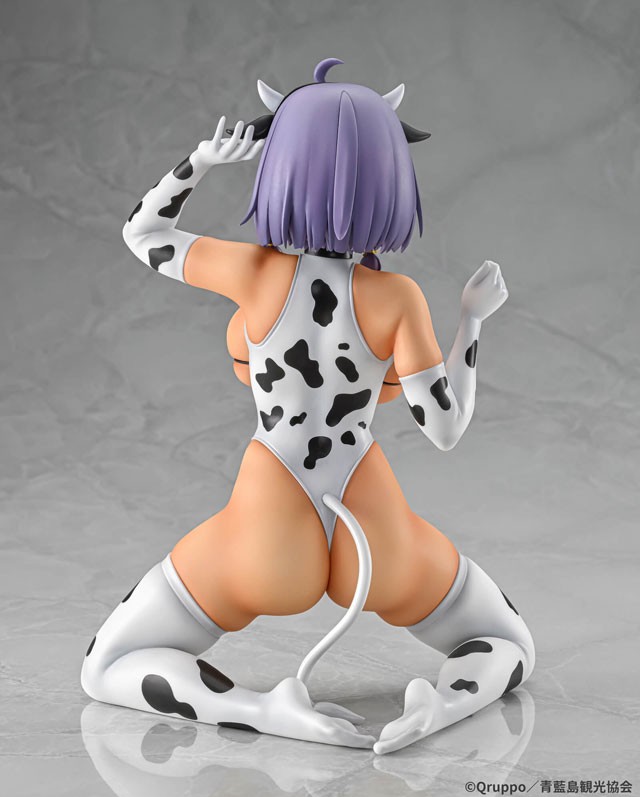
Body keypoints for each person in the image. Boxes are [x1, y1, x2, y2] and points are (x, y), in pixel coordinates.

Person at [81, 58, 535, 754]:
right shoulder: (398, 298)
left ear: (281, 168)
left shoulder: (253, 271)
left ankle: (262, 711)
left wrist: (200, 163)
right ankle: (441, 706)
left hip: (269, 512)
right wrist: (472, 322)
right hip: (370, 518)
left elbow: (141, 234)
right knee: (508, 642)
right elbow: (446, 429)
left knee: (107, 664)